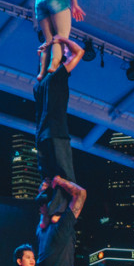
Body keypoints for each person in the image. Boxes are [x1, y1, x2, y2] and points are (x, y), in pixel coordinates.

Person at [33, 35, 83, 189]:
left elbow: (42, 68)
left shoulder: (38, 86)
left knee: (48, 181)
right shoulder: (57, 76)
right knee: (64, 179)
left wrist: (43, 54)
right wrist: (63, 39)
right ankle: (67, 204)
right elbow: (79, 52)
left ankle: (48, 203)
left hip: (42, 136)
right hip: (56, 133)